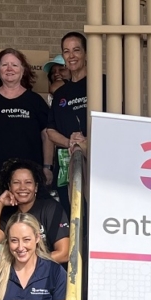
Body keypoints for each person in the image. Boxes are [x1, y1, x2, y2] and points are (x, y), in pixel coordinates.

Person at [0, 49, 52, 217]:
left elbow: (47, 135)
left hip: (29, 177)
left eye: (14, 65)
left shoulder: (35, 101)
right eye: (4, 65)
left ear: (23, 70)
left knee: (30, 223)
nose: (9, 68)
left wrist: (47, 167)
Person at [0, 159, 70, 267]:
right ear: (9, 186)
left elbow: (64, 254)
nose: (22, 187)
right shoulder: (9, 214)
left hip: (45, 270)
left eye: (28, 182)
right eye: (16, 182)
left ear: (36, 187)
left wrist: (28, 262)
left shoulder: (50, 208)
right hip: (16, 273)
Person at [46, 32, 97, 209]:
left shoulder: (102, 84)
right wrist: (70, 142)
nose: (71, 55)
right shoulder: (60, 93)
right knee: (71, 216)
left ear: (86, 53)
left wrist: (87, 143)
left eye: (76, 50)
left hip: (96, 165)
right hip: (67, 165)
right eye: (66, 51)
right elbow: (50, 131)